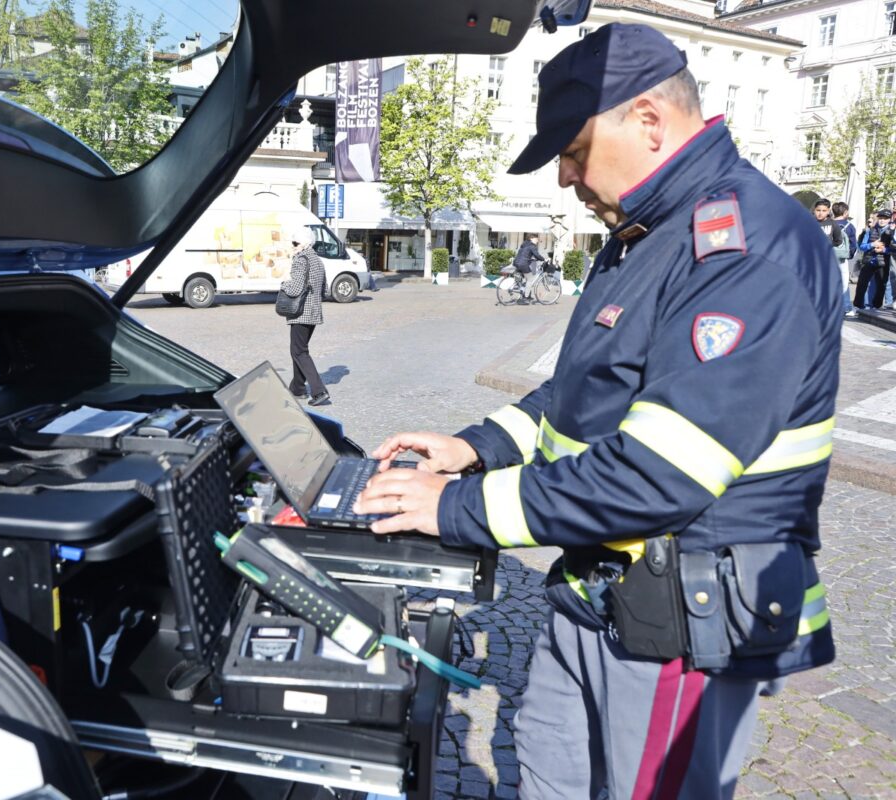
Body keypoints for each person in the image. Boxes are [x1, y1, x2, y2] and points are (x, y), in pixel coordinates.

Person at [355, 23, 836, 799]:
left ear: (648, 120)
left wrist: (455, 508)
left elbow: (659, 474)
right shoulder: (641, 236)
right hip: (595, 597)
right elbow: (579, 396)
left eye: (573, 152)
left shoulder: (741, 247)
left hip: (682, 620)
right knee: (546, 768)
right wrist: (471, 449)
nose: (564, 179)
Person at [279, 225, 330, 406]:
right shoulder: (318, 260)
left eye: (295, 242)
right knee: (299, 349)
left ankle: (319, 391)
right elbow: (324, 289)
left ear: (304, 243)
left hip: (301, 312)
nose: (293, 245)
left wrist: (283, 284)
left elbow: (295, 288)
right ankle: (298, 388)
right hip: (314, 312)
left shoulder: (300, 260)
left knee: (299, 351)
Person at [812, 199, 847, 316]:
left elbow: (838, 240)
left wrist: (828, 245)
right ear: (814, 210)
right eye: (818, 210)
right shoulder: (809, 222)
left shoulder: (832, 224)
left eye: (823, 210)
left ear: (828, 211)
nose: (820, 213)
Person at [853, 209, 892, 311]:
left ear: (889, 219)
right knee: (862, 283)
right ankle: (858, 305)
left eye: (885, 218)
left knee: (881, 285)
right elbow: (862, 246)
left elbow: (893, 249)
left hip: (884, 261)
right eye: (881, 218)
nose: (882, 221)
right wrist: (872, 244)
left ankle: (876, 306)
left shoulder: (892, 231)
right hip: (869, 260)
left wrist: (883, 249)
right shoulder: (870, 230)